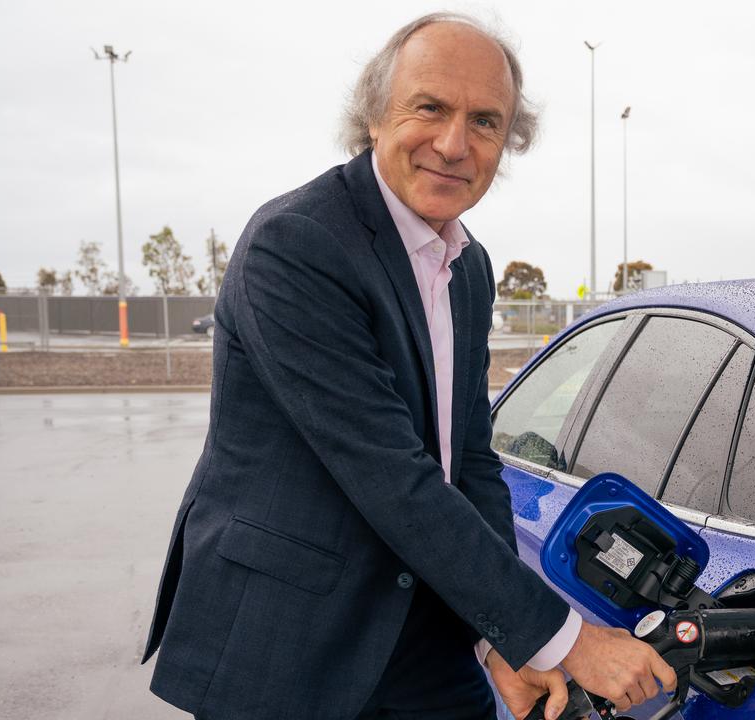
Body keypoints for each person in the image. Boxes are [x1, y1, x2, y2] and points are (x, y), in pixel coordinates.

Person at [141, 13, 675, 720]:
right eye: (430, 107)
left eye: (485, 122)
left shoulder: (470, 266)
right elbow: (391, 474)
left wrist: (499, 642)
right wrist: (564, 642)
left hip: (423, 636)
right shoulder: (297, 245)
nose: (454, 145)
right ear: (373, 116)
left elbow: (471, 461)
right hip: (288, 644)